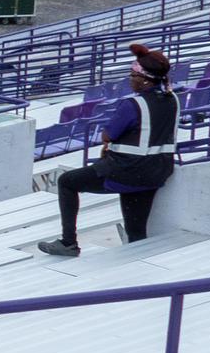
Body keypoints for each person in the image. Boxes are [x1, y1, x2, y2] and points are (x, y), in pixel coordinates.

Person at [39, 44, 178, 257]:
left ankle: (68, 243)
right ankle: (137, 262)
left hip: (127, 170)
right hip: (157, 171)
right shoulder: (173, 100)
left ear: (144, 79)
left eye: (133, 75)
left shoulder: (133, 104)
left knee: (67, 182)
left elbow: (108, 135)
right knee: (136, 231)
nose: (130, 79)